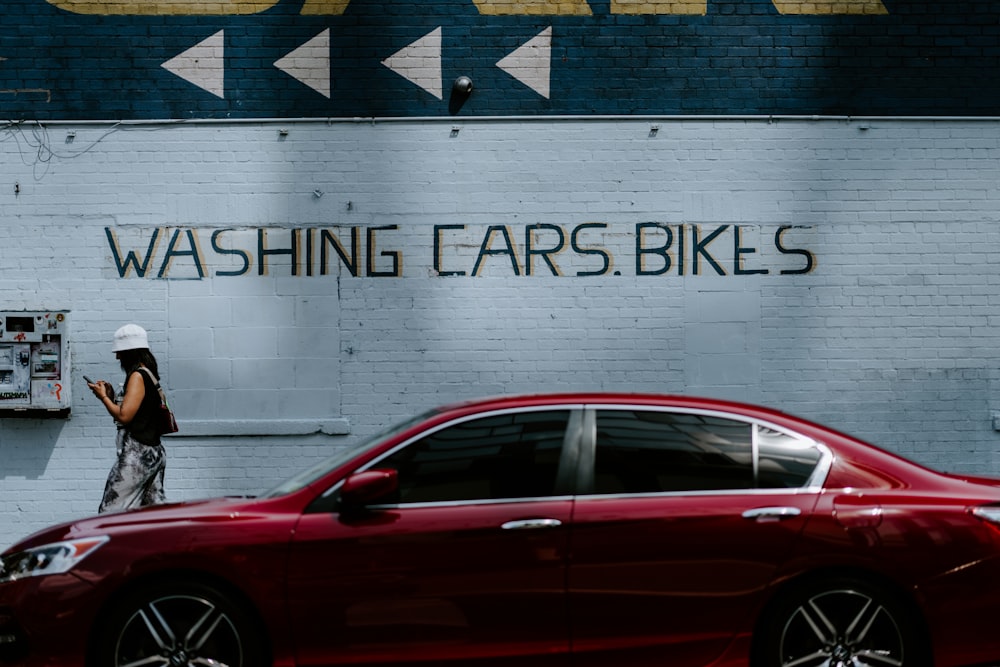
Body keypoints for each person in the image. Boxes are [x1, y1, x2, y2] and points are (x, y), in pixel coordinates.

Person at [88, 323, 167, 513]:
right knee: (151, 513)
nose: (117, 357)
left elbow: (124, 416)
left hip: (138, 454)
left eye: (120, 353)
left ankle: (110, 544)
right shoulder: (149, 374)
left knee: (109, 511)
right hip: (154, 452)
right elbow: (138, 413)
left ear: (130, 352)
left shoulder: (137, 376)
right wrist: (113, 396)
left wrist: (103, 397)